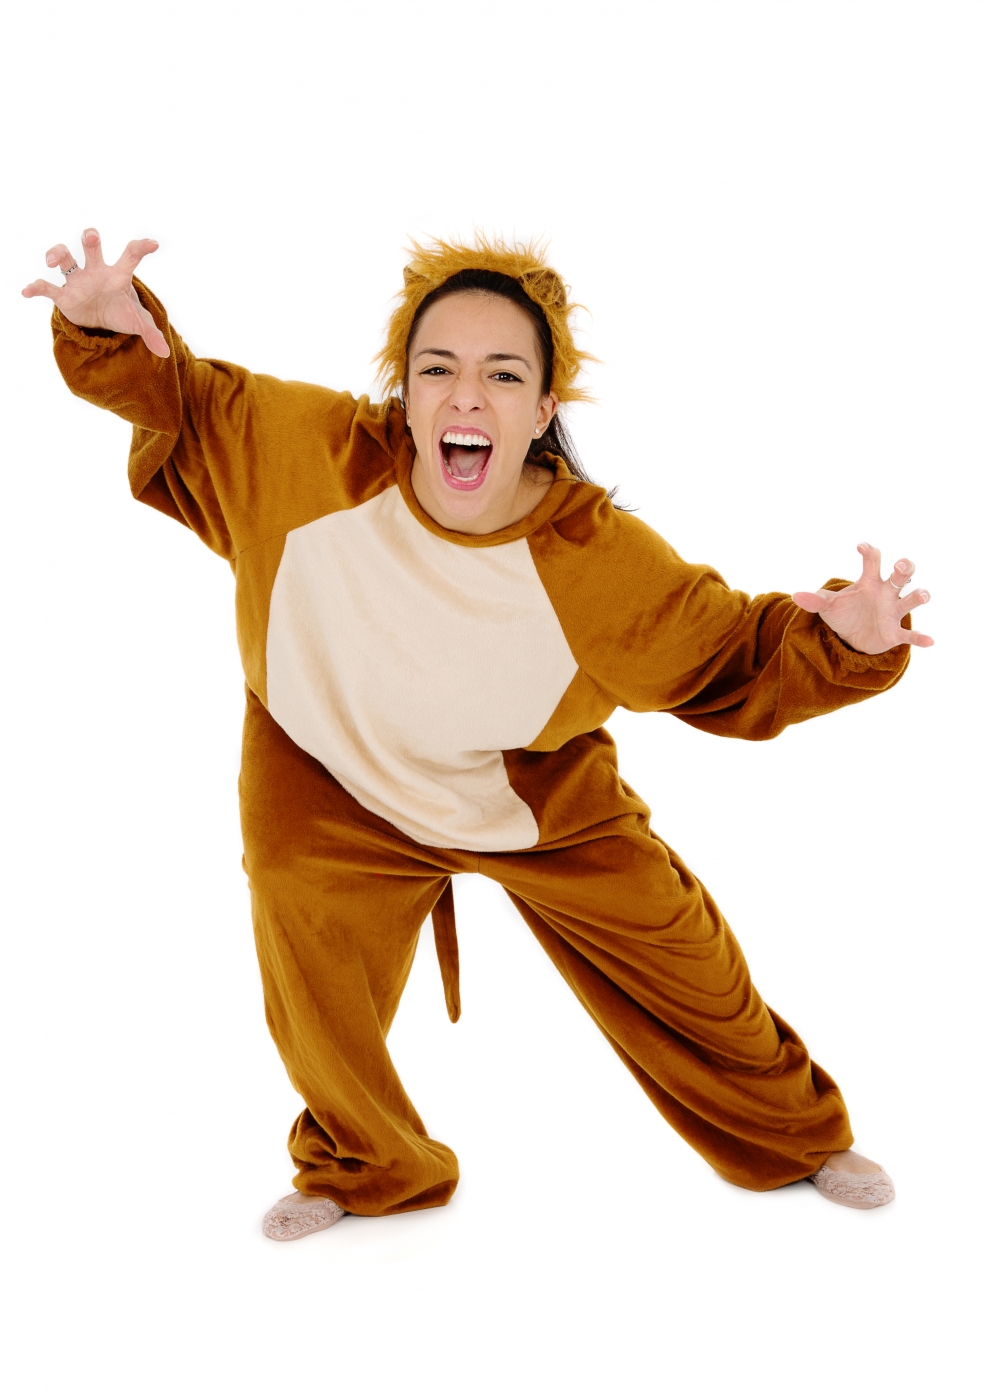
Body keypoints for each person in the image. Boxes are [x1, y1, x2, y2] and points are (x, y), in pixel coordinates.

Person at [24, 229, 932, 1241]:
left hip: (530, 797)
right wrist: (104, 330)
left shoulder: (593, 556)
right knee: (304, 939)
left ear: (542, 410)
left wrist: (847, 641)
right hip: (328, 777)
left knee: (688, 957)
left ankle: (797, 1138)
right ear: (404, 394)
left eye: (502, 375)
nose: (466, 397)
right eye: (438, 370)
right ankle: (366, 1163)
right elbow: (185, 402)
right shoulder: (309, 455)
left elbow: (730, 652)